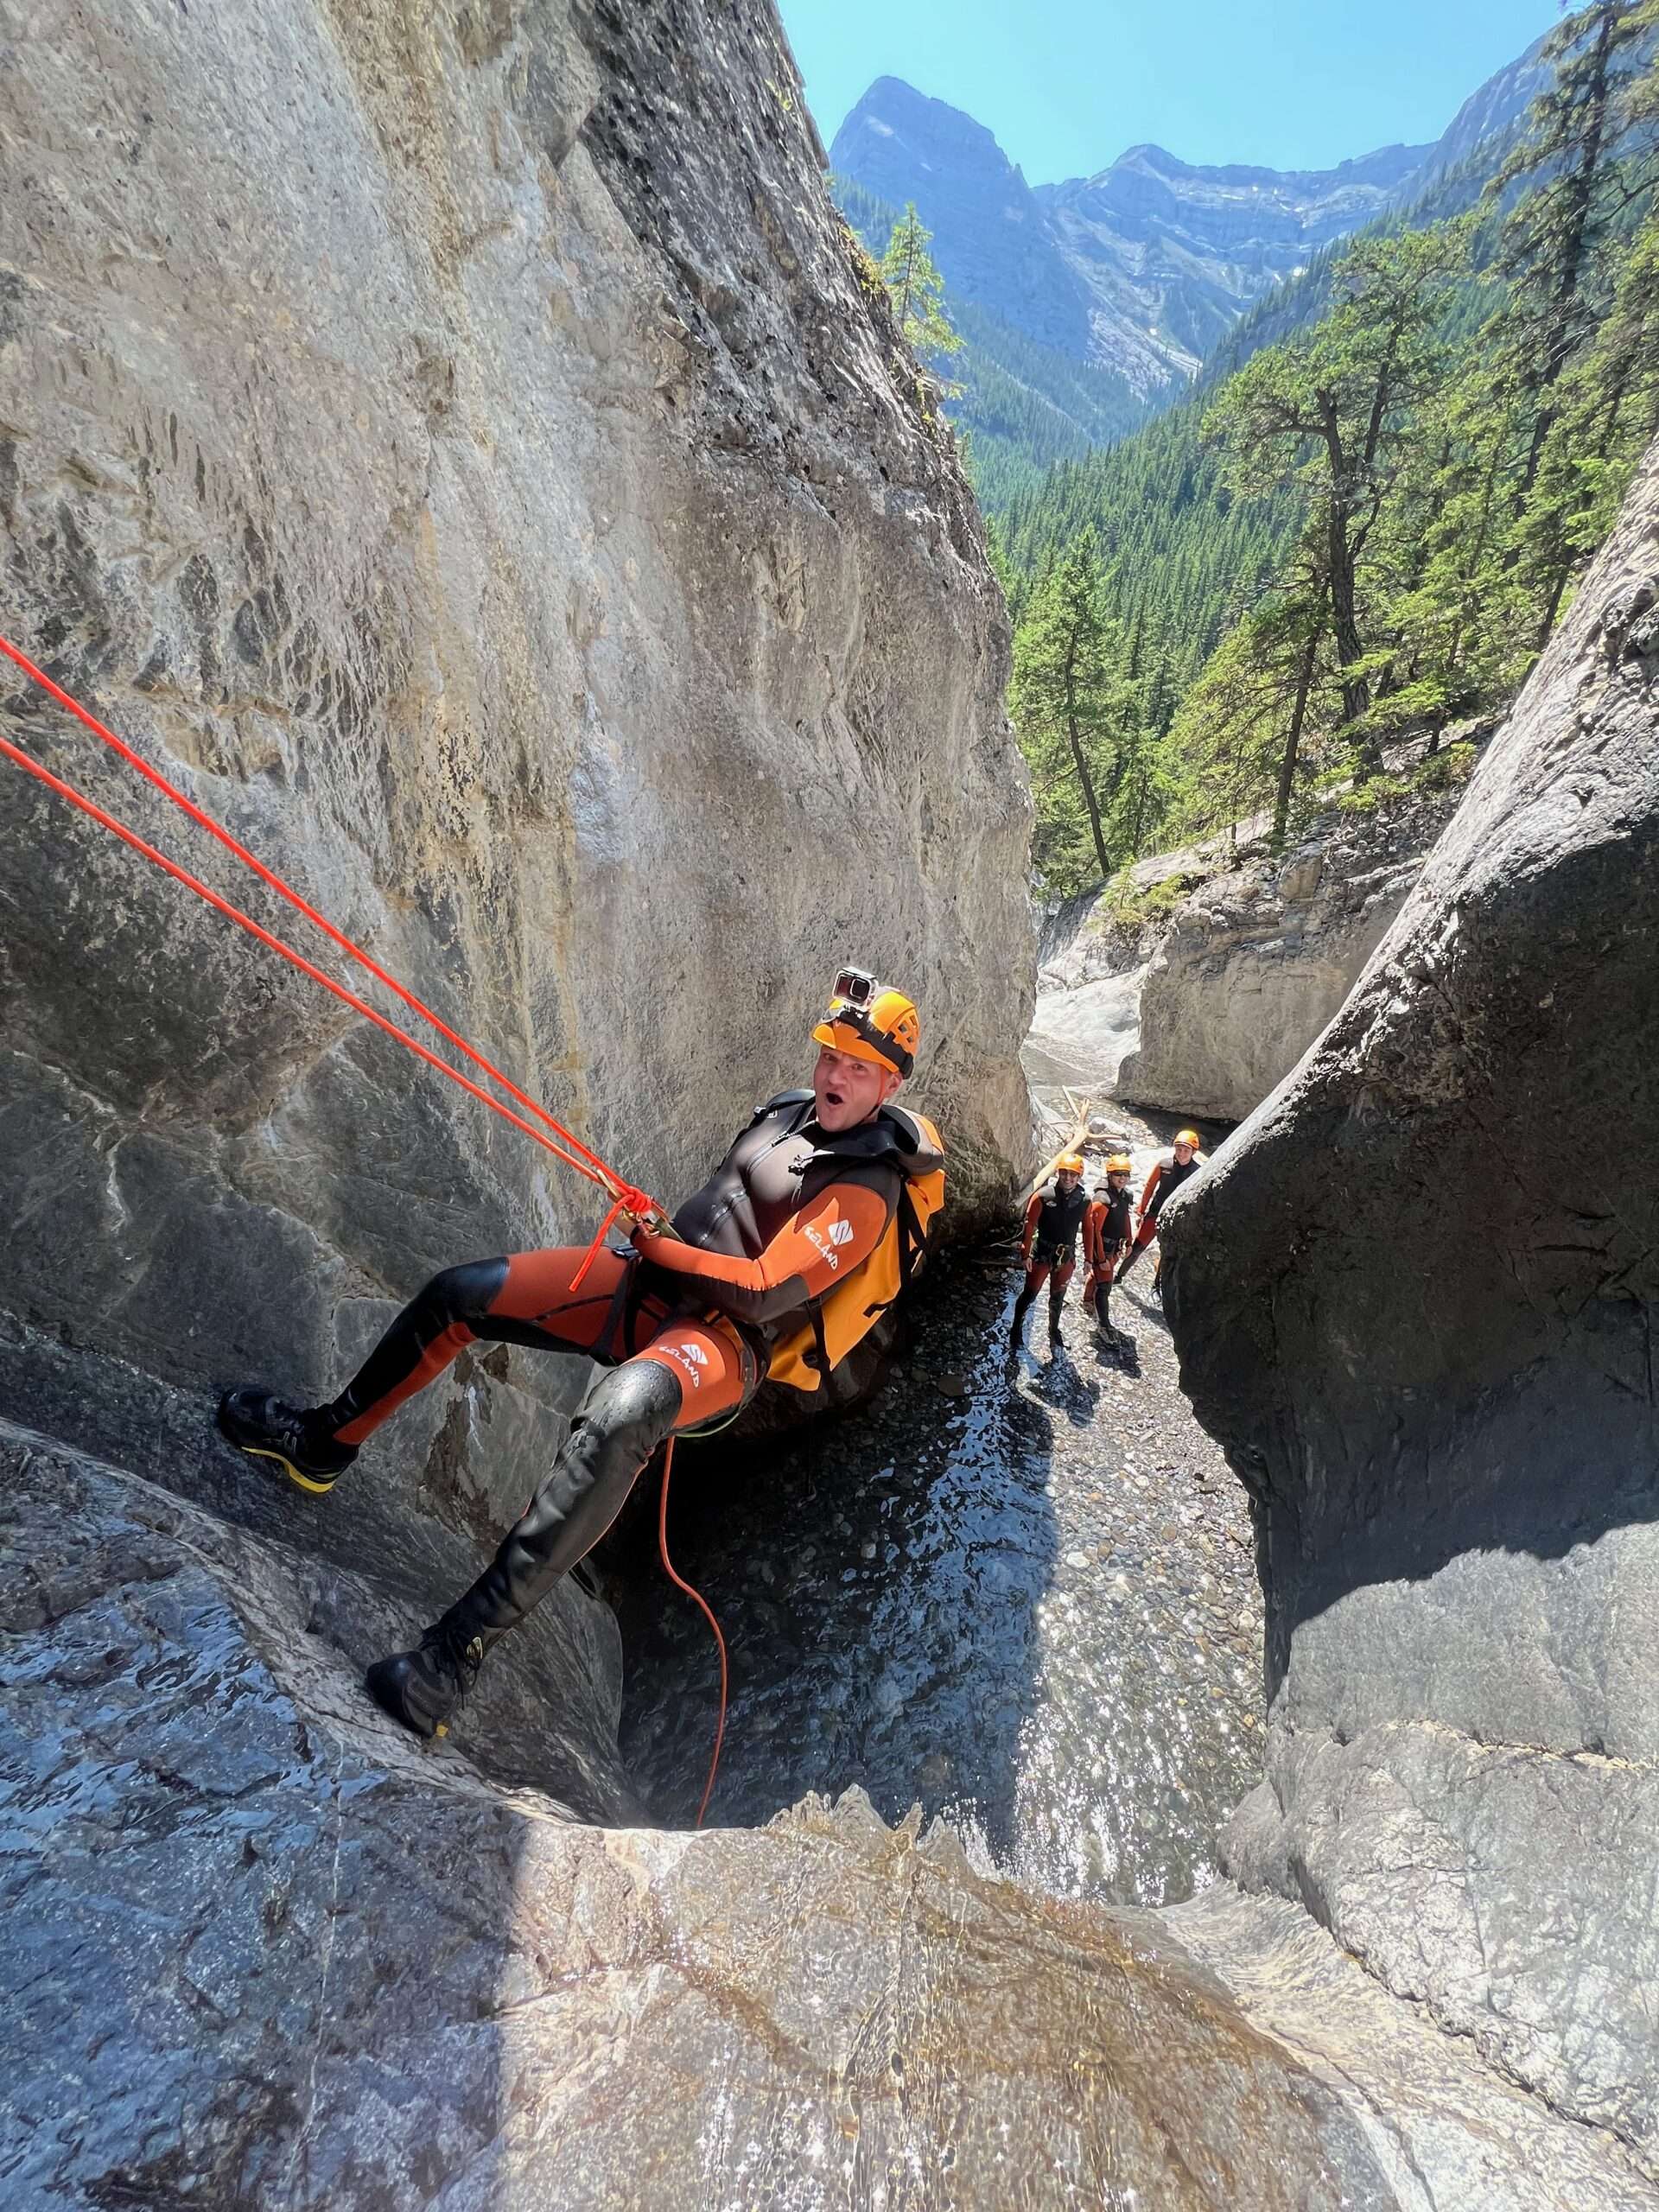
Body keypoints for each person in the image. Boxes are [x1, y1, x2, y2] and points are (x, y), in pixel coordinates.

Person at [218, 969, 943, 1741]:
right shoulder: (787, 1110)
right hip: (652, 1287)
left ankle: (453, 1657)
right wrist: (659, 1240)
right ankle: (323, 1444)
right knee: (461, 1294)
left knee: (622, 1415)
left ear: (889, 1084)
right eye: (830, 1055)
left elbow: (764, 1292)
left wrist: (659, 1248)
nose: (835, 1074)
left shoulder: (866, 1189)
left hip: (724, 1341)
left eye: (857, 1066)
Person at [1010, 1153, 1088, 1347]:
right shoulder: (1044, 1196)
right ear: (1058, 1173)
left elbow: (1089, 1229)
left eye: (1073, 1175)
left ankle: (1053, 1330)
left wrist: (1090, 1259)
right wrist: (1025, 1254)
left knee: (1058, 1297)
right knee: (1029, 1294)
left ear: (1079, 1176)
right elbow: (1029, 1225)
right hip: (1042, 1254)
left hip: (1066, 1256)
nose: (1068, 1178)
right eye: (1064, 1173)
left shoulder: (1085, 1200)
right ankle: (1016, 1328)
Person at [1116, 1128, 1207, 1290]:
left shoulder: (1197, 1172)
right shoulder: (1164, 1165)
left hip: (1176, 1219)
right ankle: (1119, 1276)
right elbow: (1150, 1187)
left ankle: (1157, 1285)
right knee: (1137, 1247)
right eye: (1179, 1149)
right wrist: (1141, 1209)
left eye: (1186, 1150)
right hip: (1155, 1213)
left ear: (1193, 1152)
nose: (1181, 1153)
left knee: (1166, 1253)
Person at [1082, 1154, 1135, 1326]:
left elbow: (1125, 1217)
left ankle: (1087, 1299)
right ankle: (1104, 1323)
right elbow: (1093, 1230)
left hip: (1114, 1246)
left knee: (1099, 1276)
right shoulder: (1102, 1199)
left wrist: (1129, 1241)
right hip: (1102, 1247)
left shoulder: (1124, 1195)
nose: (1122, 1178)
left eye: (1126, 1174)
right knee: (1105, 1286)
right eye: (1118, 1174)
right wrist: (1101, 1258)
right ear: (1110, 1175)